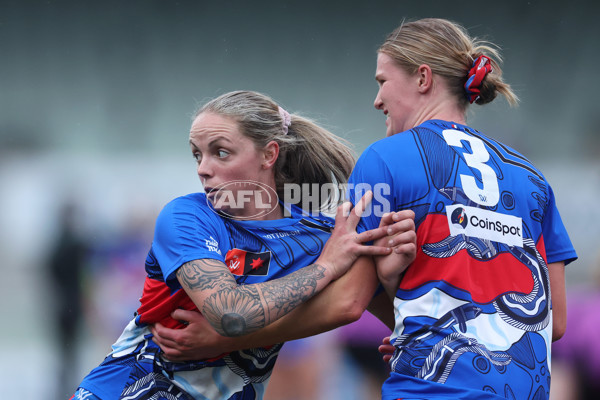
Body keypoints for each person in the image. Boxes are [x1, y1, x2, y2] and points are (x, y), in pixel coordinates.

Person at [71, 90, 416, 400]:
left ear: (269, 155)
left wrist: (390, 272)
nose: (203, 169)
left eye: (220, 152)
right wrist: (325, 267)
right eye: (197, 155)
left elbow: (384, 316)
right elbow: (231, 313)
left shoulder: (322, 235)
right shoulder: (186, 217)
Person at [345, 18, 577, 400]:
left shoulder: (384, 160)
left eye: (382, 82)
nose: (377, 100)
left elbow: (351, 297)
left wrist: (416, 326)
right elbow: (556, 322)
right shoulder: (532, 178)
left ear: (422, 78)